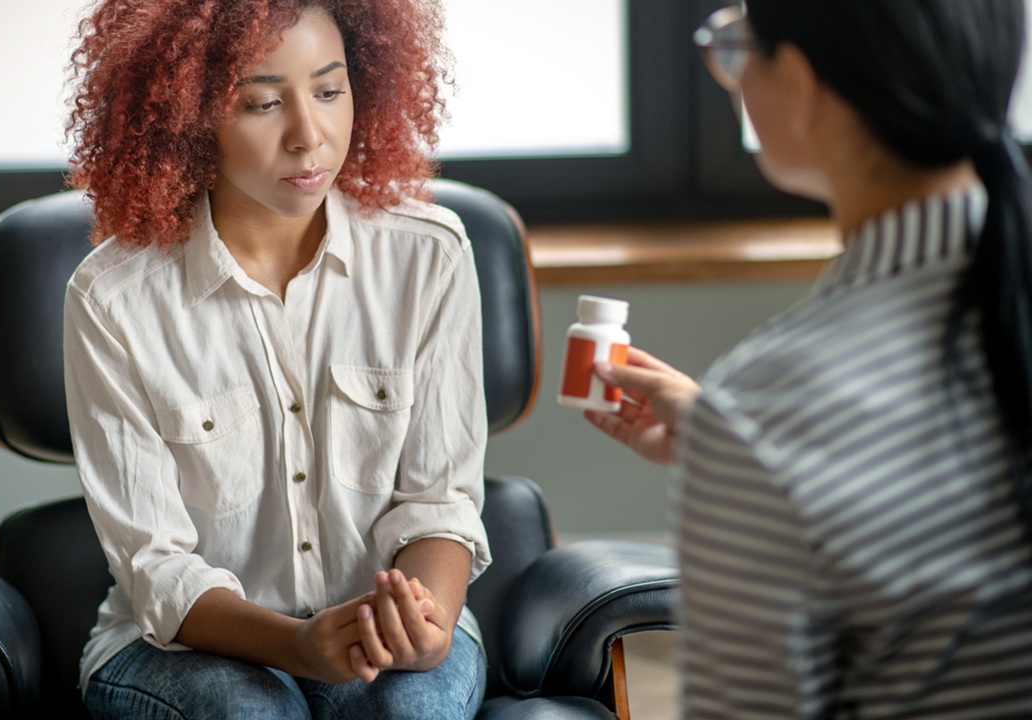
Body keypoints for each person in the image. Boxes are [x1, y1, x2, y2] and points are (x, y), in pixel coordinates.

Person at [586, 1, 1032, 717]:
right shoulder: (763, 423)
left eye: (737, 46)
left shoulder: (769, 409)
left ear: (797, 84)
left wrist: (746, 453)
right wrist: (743, 459)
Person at [61, 2, 490, 718]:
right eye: (263, 102)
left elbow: (438, 499)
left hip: (382, 632)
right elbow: (156, 566)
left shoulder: (430, 256)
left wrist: (428, 628)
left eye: (329, 91)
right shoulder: (112, 300)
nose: (310, 136)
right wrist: (297, 647)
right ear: (188, 116)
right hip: (185, 649)